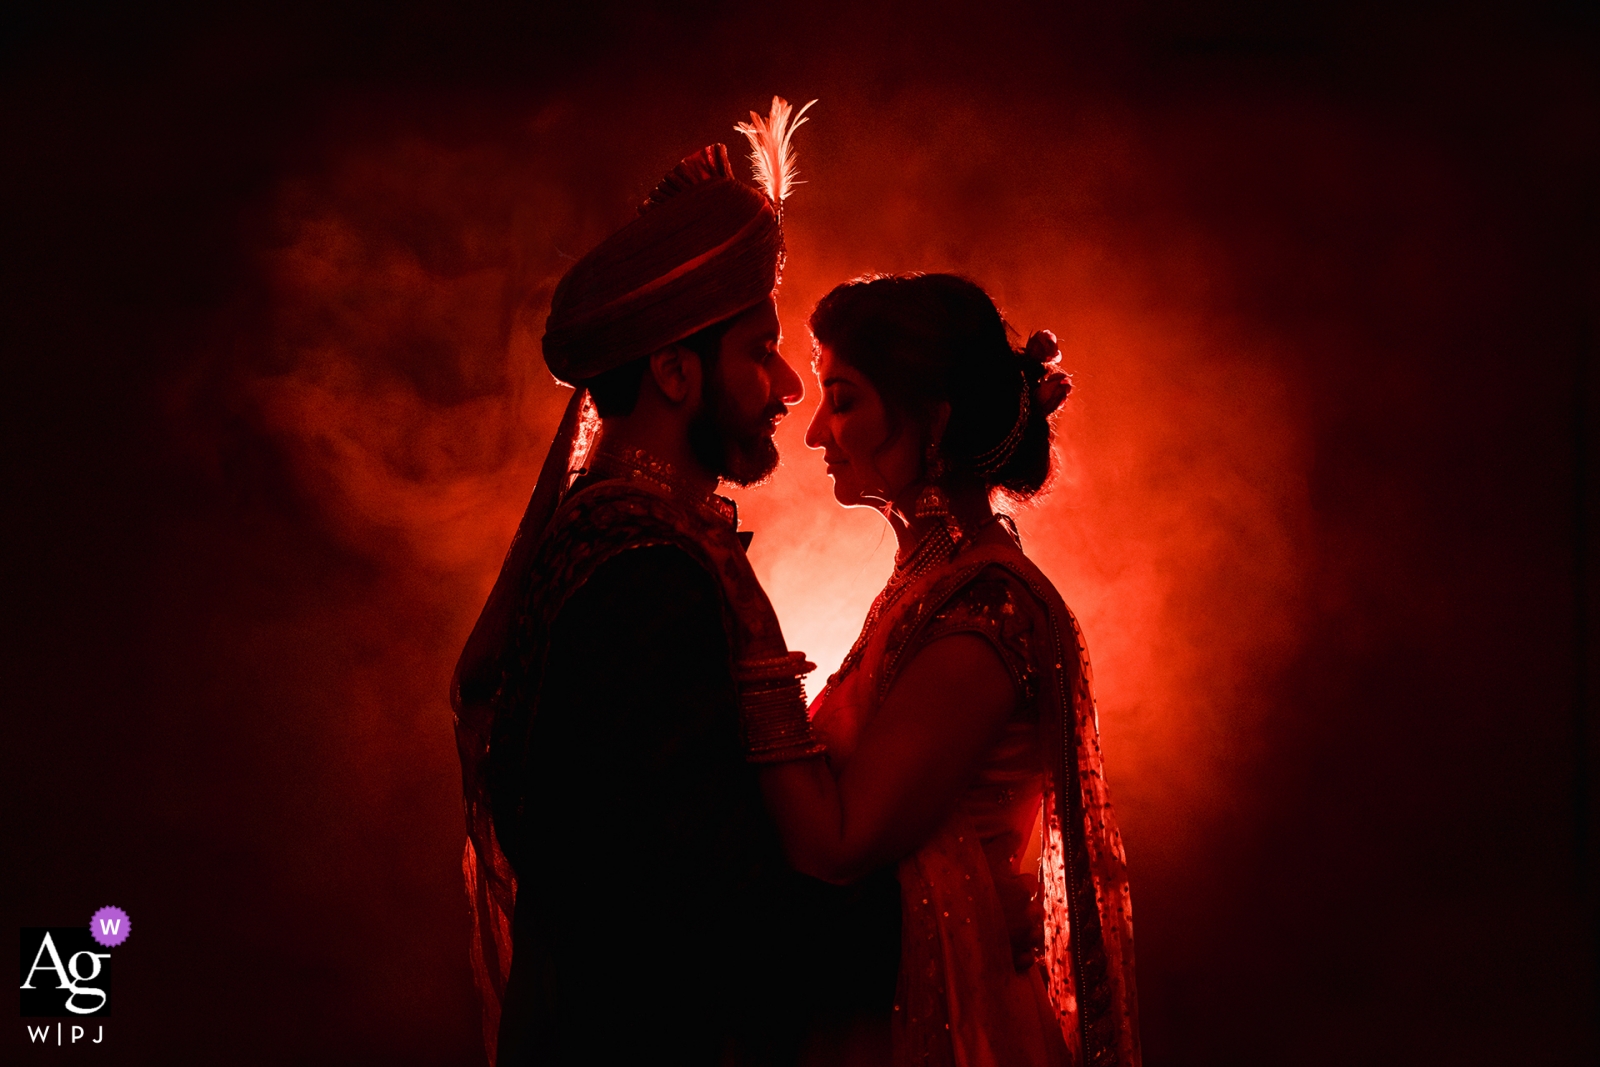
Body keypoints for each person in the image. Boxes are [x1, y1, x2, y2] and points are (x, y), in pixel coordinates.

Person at [451, 99, 842, 1065]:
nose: (788, 386)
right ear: (674, 373)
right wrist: (918, 895)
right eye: (759, 351)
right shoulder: (647, 576)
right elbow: (686, 902)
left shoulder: (604, 541)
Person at [754, 274, 1142, 1067]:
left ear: (933, 422)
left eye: (845, 398)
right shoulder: (927, 583)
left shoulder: (986, 607)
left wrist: (751, 645)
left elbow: (839, 842)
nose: (816, 433)